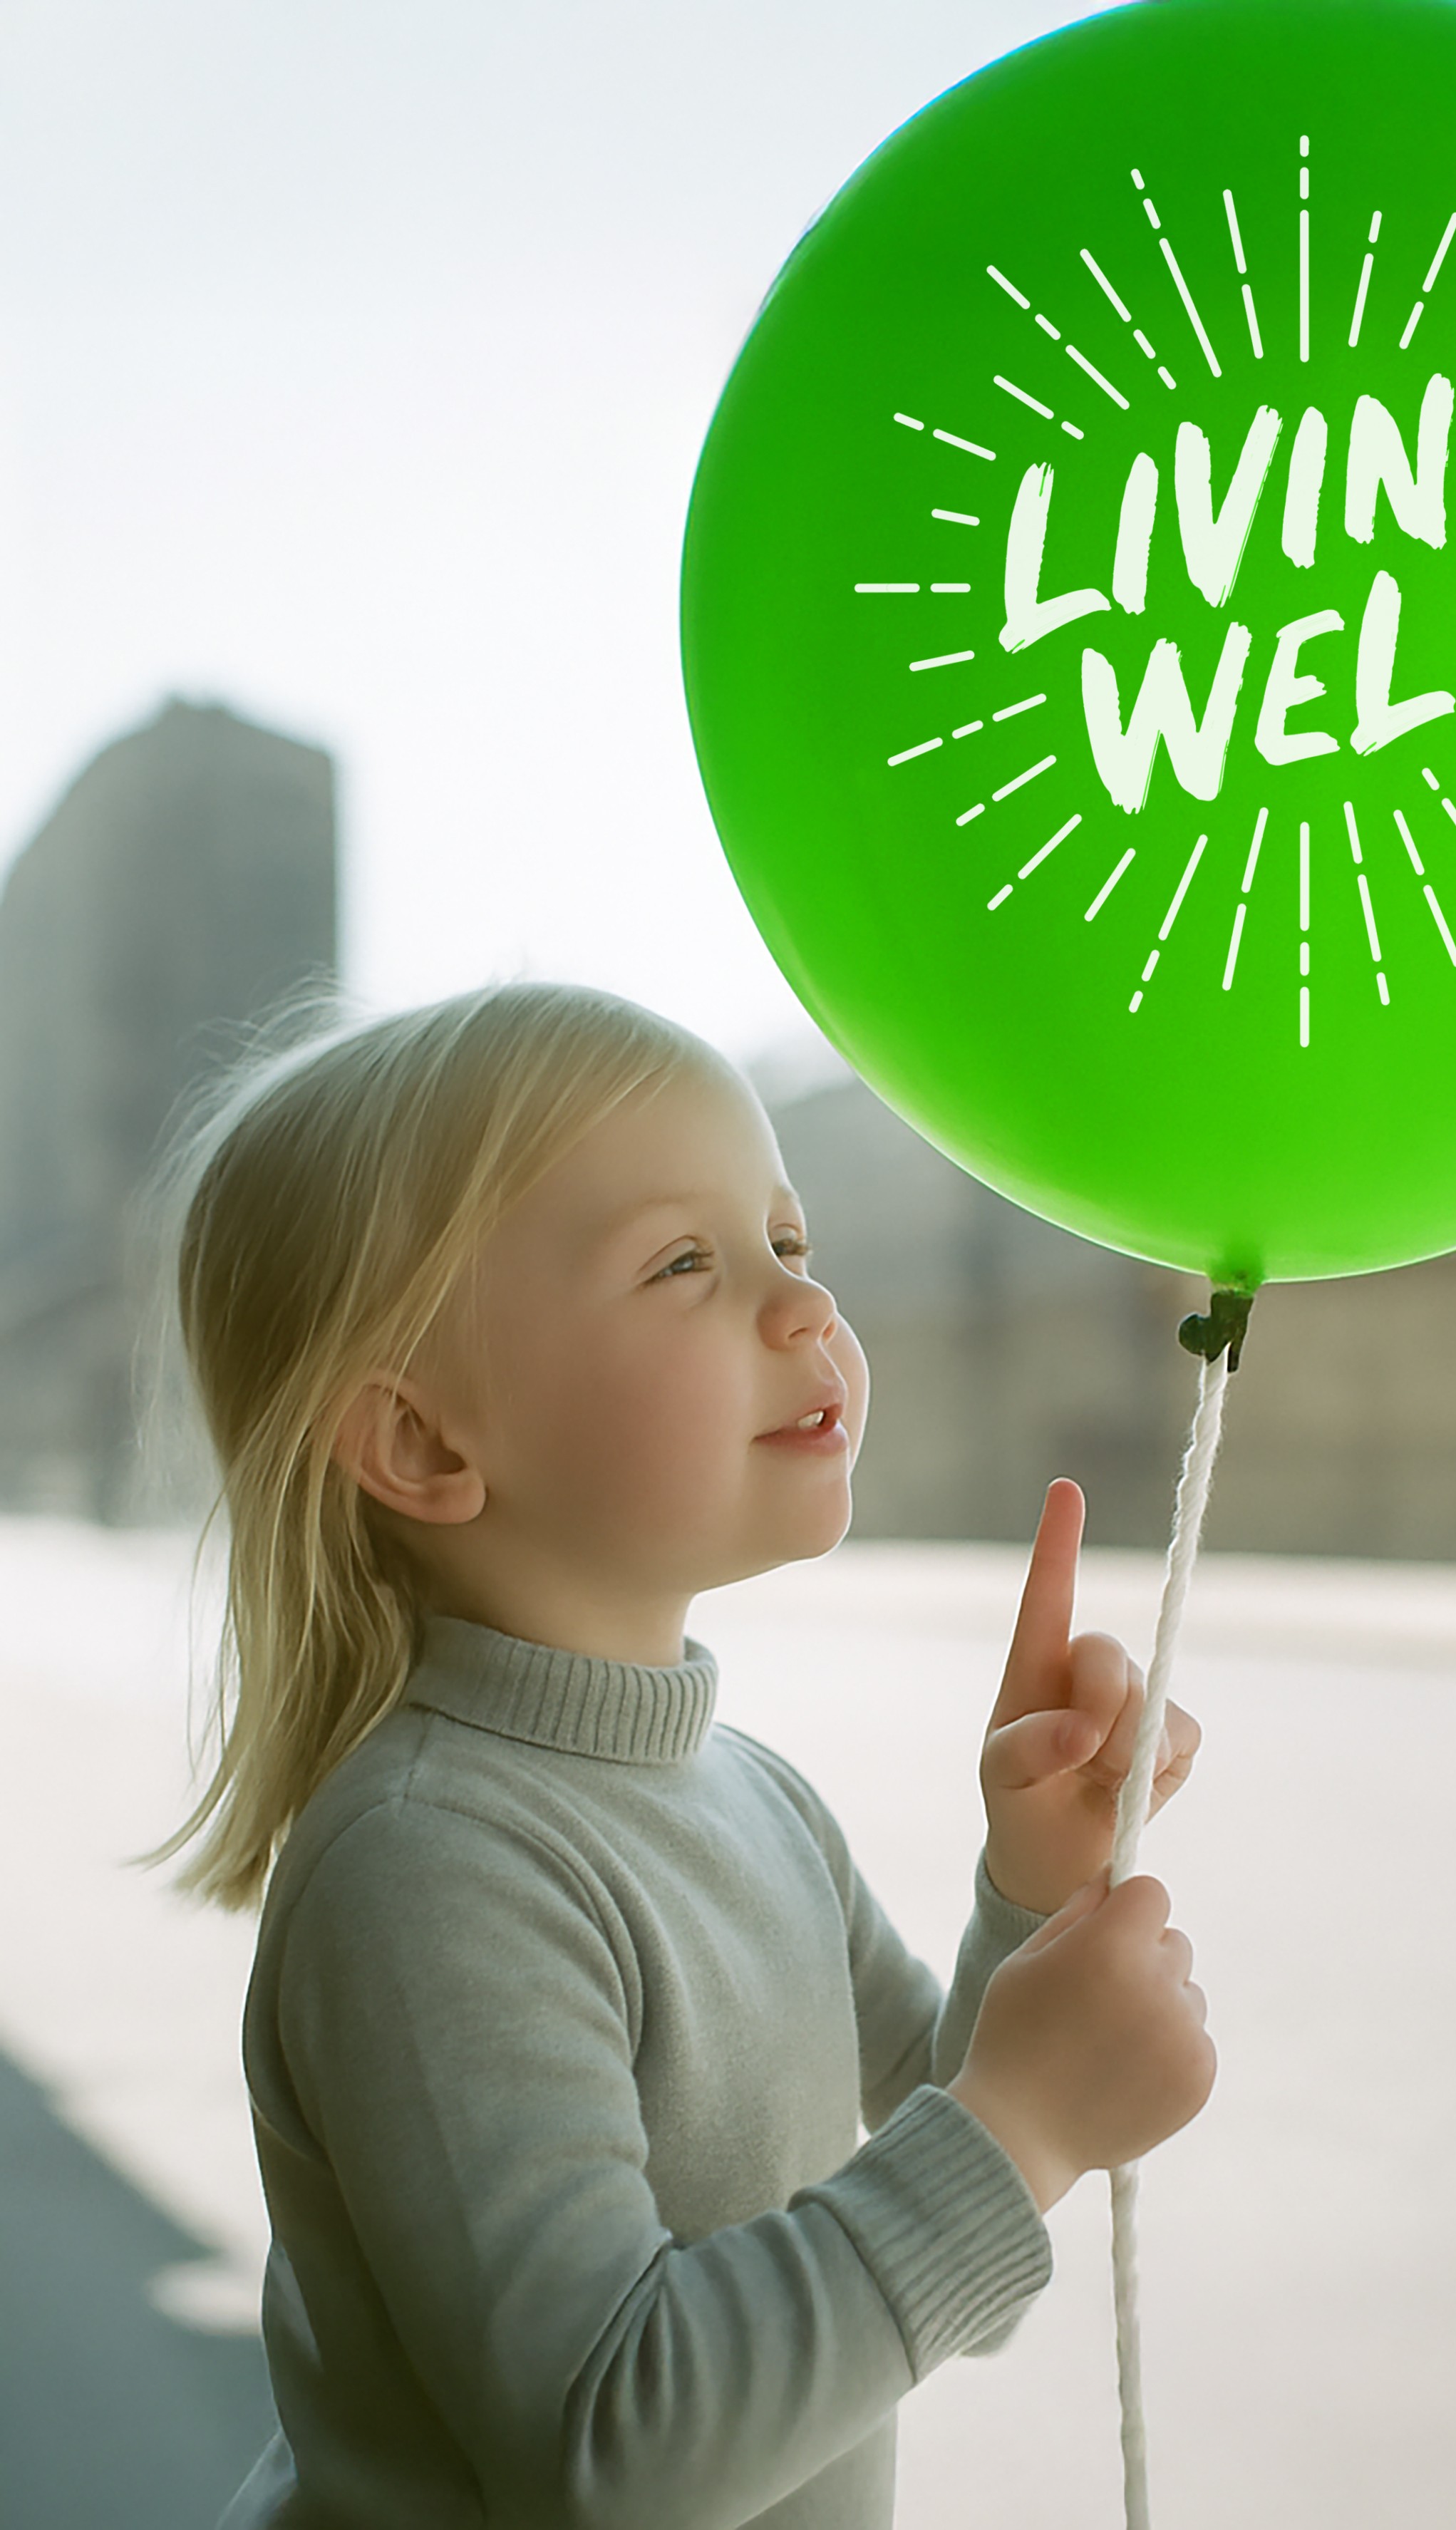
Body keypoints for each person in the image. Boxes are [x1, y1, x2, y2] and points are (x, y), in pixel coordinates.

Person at [133, 976, 1214, 2530]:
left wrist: (1033, 1890)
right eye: (685, 1261)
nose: (802, 1307)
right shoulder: (433, 1867)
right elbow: (612, 2450)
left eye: (789, 1241)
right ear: (428, 1441)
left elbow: (955, 2249)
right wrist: (1027, 2115)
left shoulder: (760, 1799)